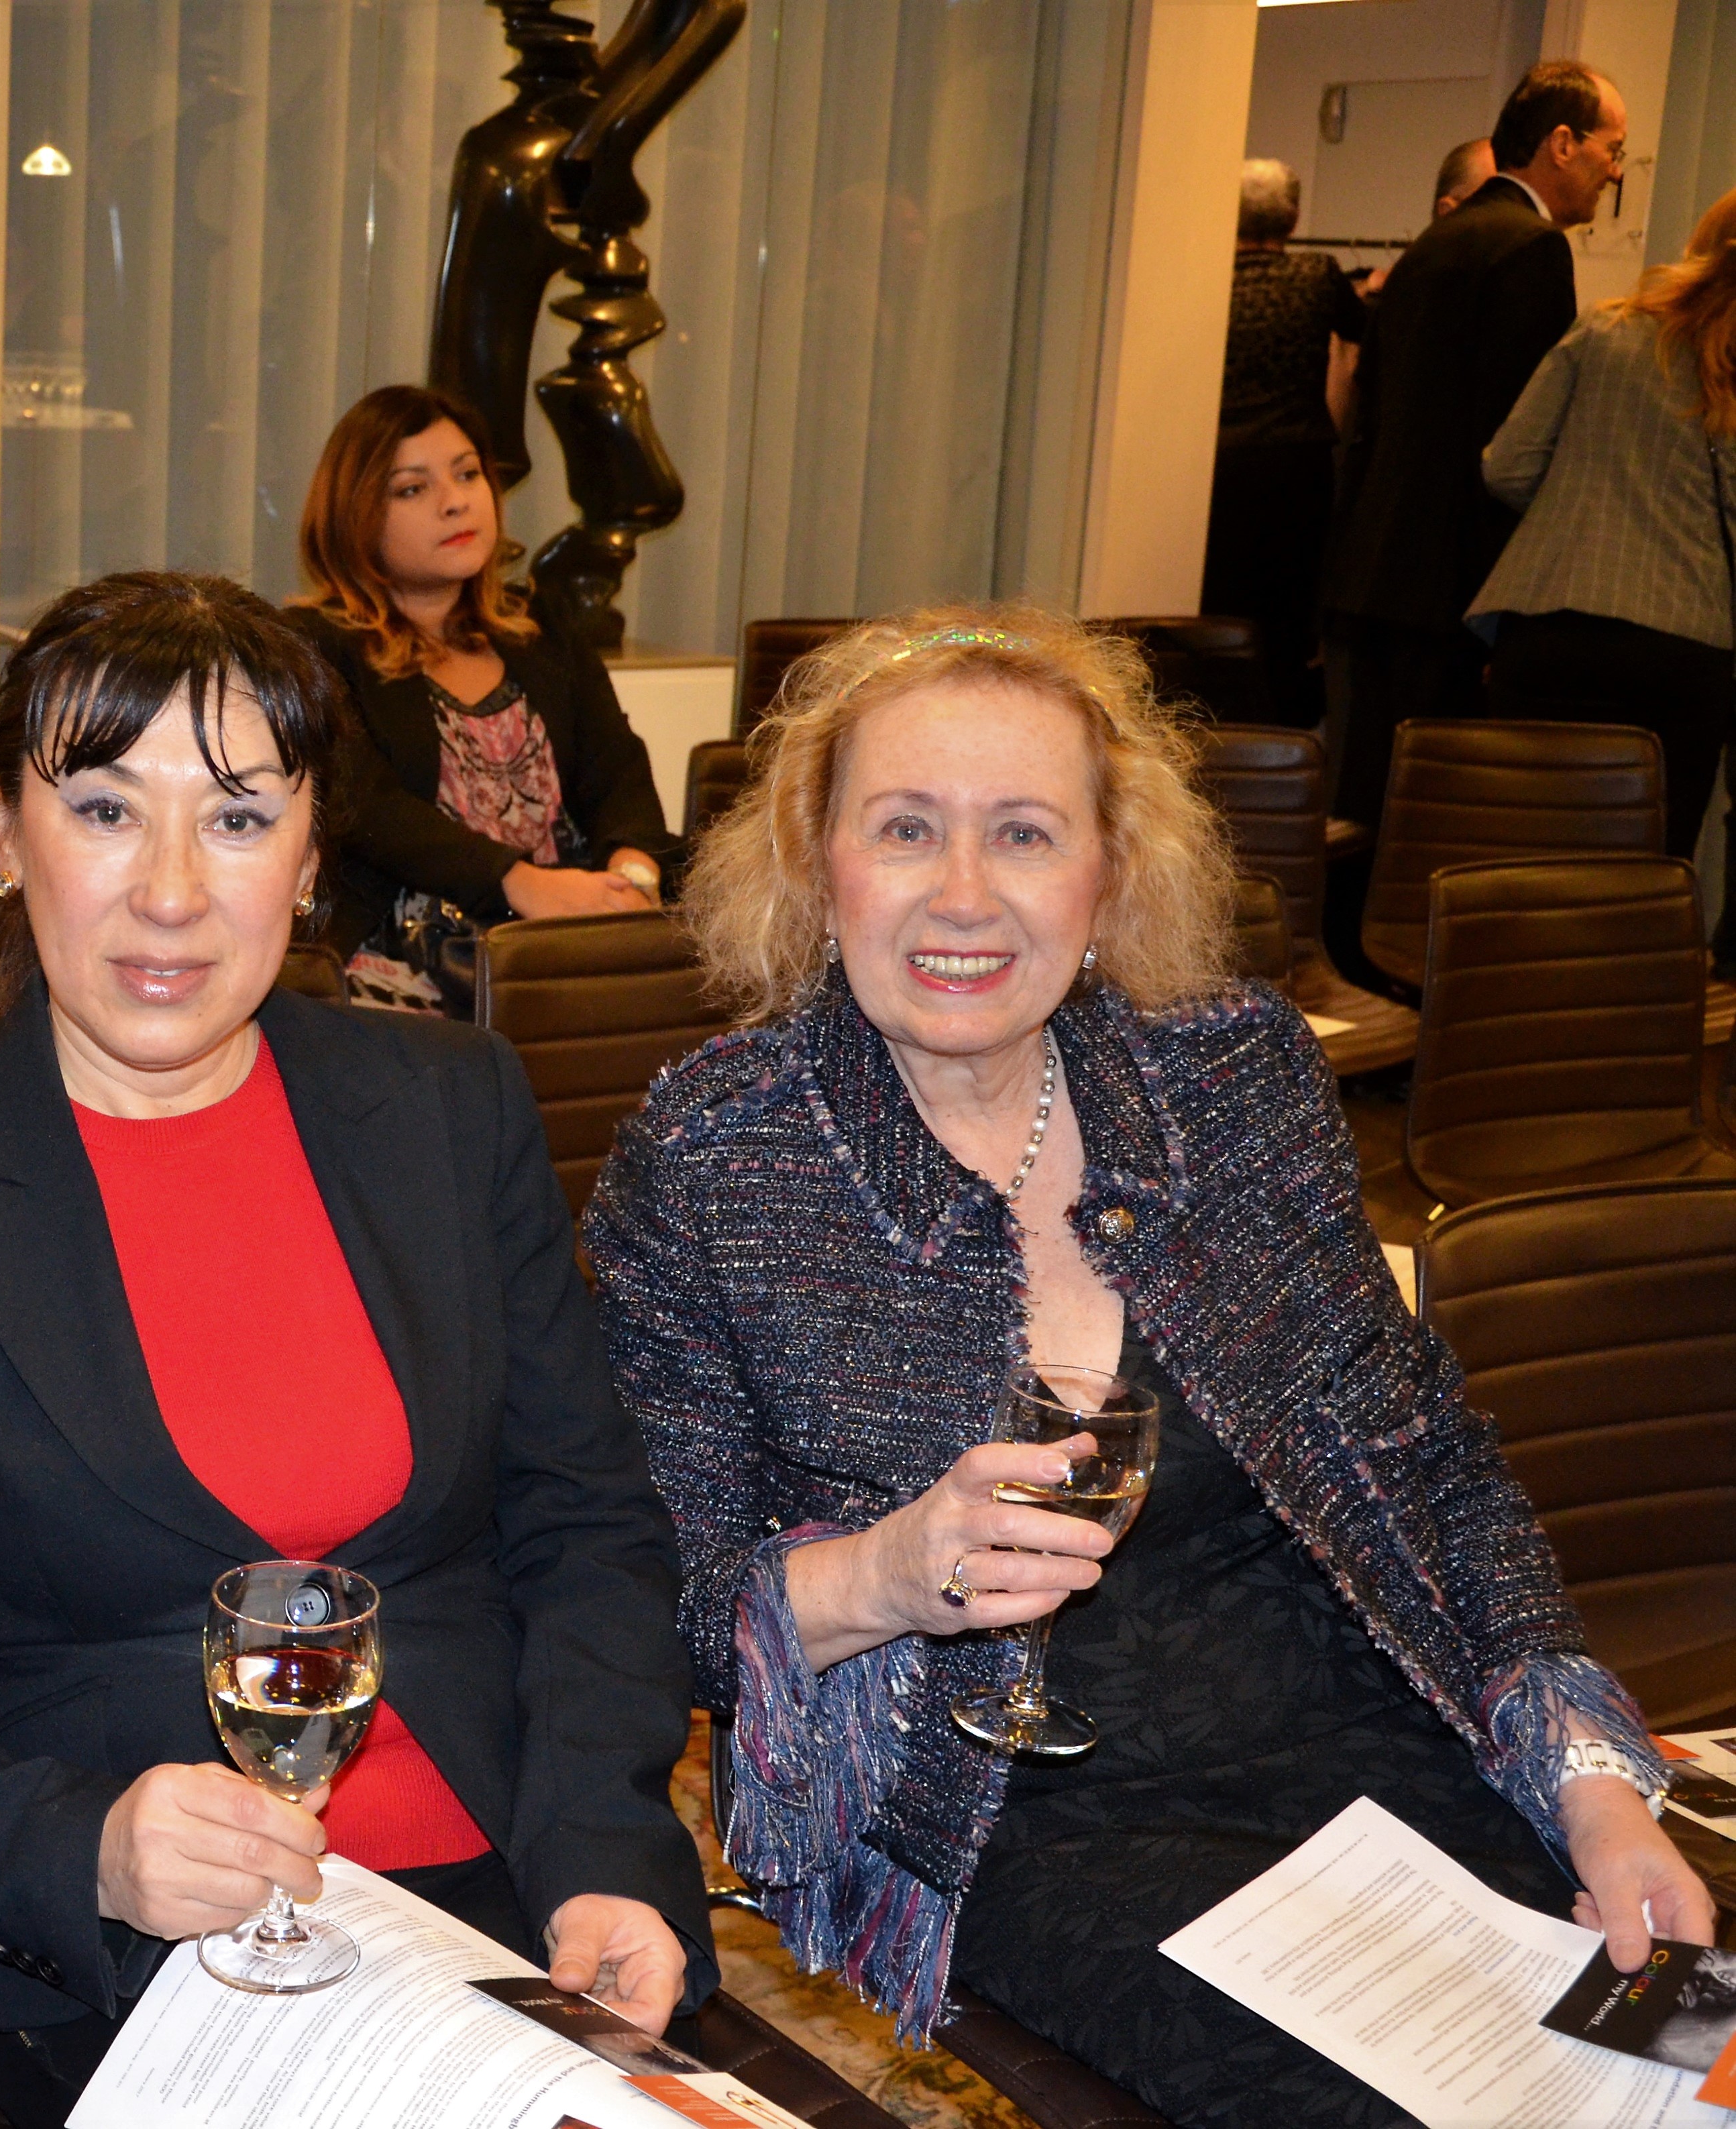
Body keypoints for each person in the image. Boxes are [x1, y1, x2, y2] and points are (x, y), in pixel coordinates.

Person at [582, 606, 1708, 2129]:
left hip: (1363, 1736)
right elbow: (651, 1607)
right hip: (1013, 1809)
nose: (962, 892)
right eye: (904, 826)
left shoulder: (1231, 1070)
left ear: (1108, 873)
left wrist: (1591, 1785)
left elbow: (1428, 1453)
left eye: (1024, 833)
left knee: (1680, 2054)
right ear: (813, 859)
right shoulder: (715, 1154)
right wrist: (885, 1574)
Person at [0, 571, 714, 2129]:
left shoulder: (448, 1105)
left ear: (314, 856)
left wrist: (608, 1858)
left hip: (511, 1891)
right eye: (104, 811)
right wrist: (82, 1848)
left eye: (240, 817)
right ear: (5, 836)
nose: (171, 892)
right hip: (150, 1949)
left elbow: (586, 1524)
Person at [282, 384, 673, 1013]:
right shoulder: (314, 644)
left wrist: (632, 875)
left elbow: (617, 767)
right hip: (401, 955)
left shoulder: (538, 623)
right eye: (413, 489)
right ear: (355, 515)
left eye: (467, 475)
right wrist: (519, 883)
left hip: (562, 932)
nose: (455, 501)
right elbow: (368, 810)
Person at [1322, 61, 1623, 828]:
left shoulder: (1437, 241)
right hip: (1450, 589)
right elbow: (1510, 448)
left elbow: (1369, 417)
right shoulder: (1530, 248)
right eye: (1611, 148)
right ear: (1562, 143)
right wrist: (1508, 612)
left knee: (1363, 808)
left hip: (1374, 572)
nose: (1616, 171)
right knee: (1431, 820)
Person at [1472, 184, 1736, 859]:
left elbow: (1507, 466)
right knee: (1644, 869)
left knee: (1521, 852)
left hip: (1550, 626)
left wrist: (1578, 511)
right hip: (1688, 645)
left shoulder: (1606, 329)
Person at [1204, 160, 1363, 726]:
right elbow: (1364, 333)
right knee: (1289, 603)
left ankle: (1219, 714)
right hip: (1296, 464)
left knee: (1219, 599)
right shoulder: (1318, 274)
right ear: (1293, 218)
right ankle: (1283, 727)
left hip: (1216, 464)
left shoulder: (1208, 279)